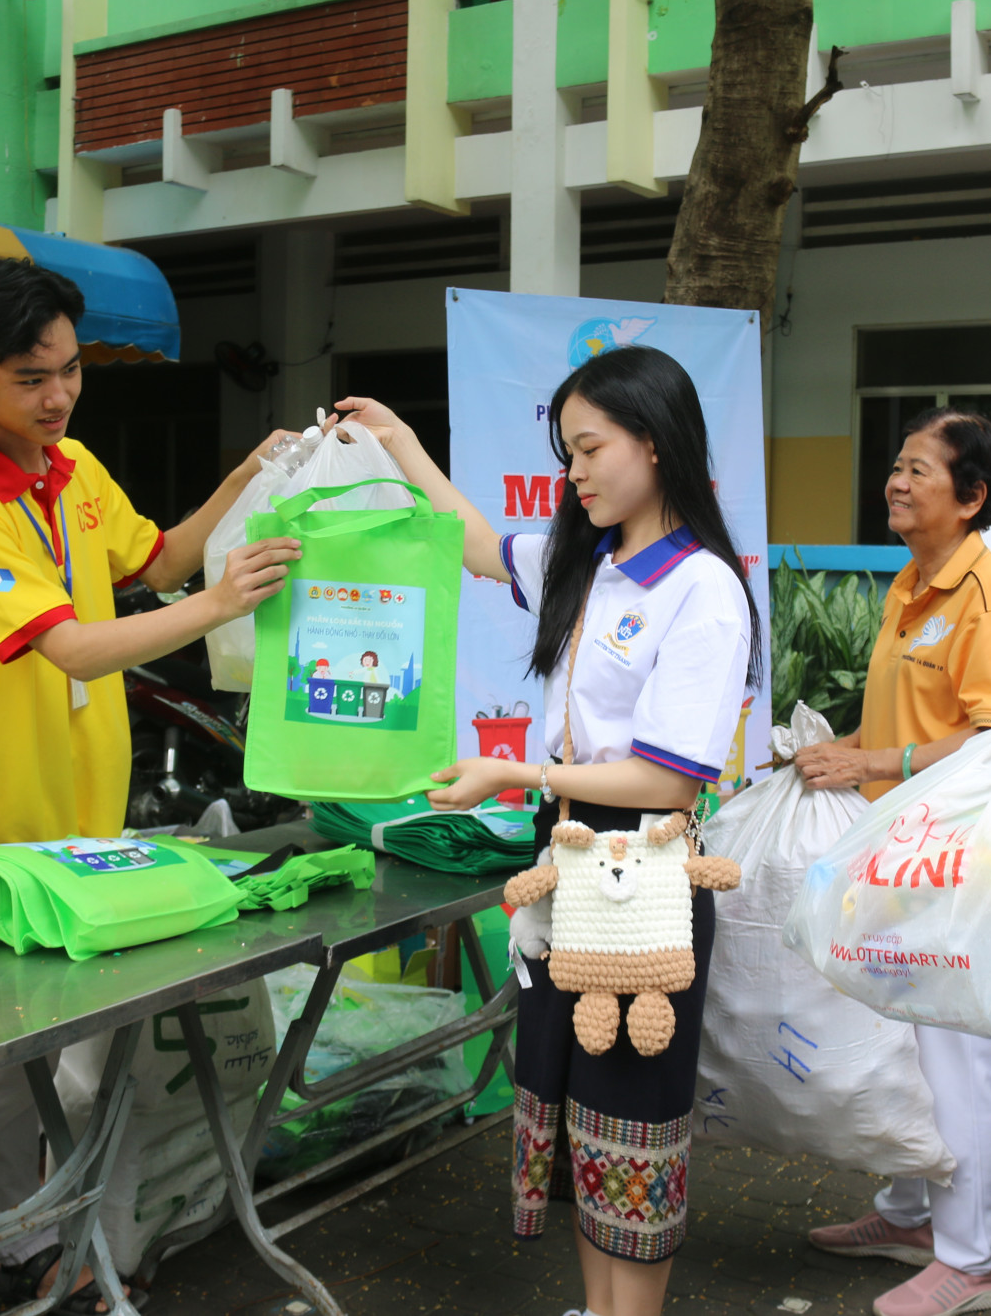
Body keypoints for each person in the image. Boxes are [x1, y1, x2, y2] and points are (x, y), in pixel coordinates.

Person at [332, 343, 757, 1316]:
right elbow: (477, 543)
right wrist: (398, 441)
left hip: (641, 873)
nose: (573, 472)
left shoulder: (701, 588)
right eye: (565, 452)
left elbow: (667, 774)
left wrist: (519, 772)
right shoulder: (589, 562)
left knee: (633, 1119)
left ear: (652, 442)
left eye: (587, 448)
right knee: (576, 1111)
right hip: (564, 858)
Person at [0, 256, 297, 1313]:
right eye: (31, 378)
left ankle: (74, 1227)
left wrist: (241, 480)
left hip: (91, 811)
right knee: (4, 1055)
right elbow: (77, 650)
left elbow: (156, 559)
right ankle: (15, 1244)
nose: (58, 396)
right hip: (4, 825)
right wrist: (220, 605)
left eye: (71, 370)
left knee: (82, 1042)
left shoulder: (74, 468)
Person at [790, 408, 991, 1316]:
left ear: (971, 497)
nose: (896, 482)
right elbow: (907, 722)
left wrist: (875, 762)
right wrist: (840, 748)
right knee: (904, 1042)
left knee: (957, 1057)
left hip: (960, 862)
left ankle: (972, 1260)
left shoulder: (990, 599)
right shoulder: (911, 585)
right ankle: (907, 1212)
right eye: (896, 466)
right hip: (900, 854)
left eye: (919, 471)